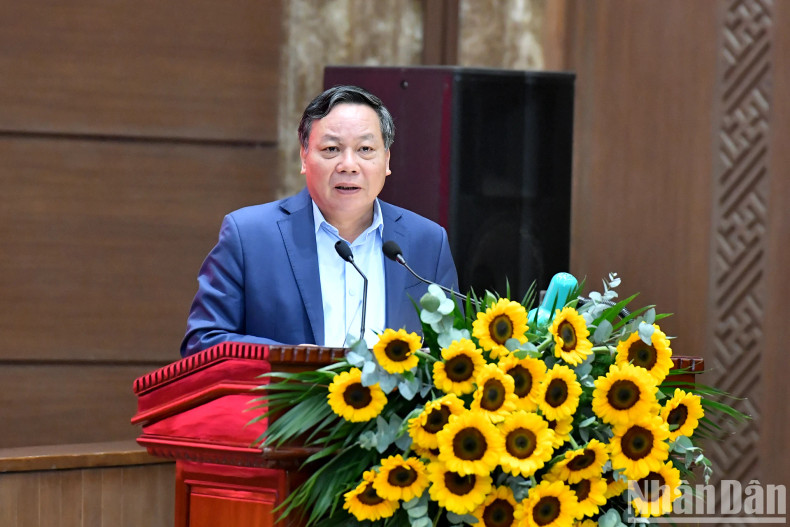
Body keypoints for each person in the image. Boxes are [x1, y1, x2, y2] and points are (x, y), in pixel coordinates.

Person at [180, 85, 459, 357]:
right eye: (331, 149)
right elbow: (203, 342)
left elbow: (455, 348)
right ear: (304, 157)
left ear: (386, 160)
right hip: (285, 403)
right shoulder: (249, 236)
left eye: (365, 149)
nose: (348, 165)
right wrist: (289, 357)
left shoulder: (428, 242)